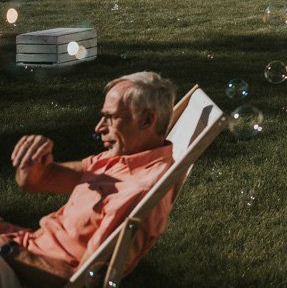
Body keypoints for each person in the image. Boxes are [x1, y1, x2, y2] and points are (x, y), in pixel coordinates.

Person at [0, 72, 177, 288]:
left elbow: (82, 282)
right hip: (25, 247)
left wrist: (7, 250)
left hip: (24, 270)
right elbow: (35, 181)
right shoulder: (120, 159)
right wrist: (34, 158)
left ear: (148, 120)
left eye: (110, 117)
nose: (99, 127)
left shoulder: (136, 192)